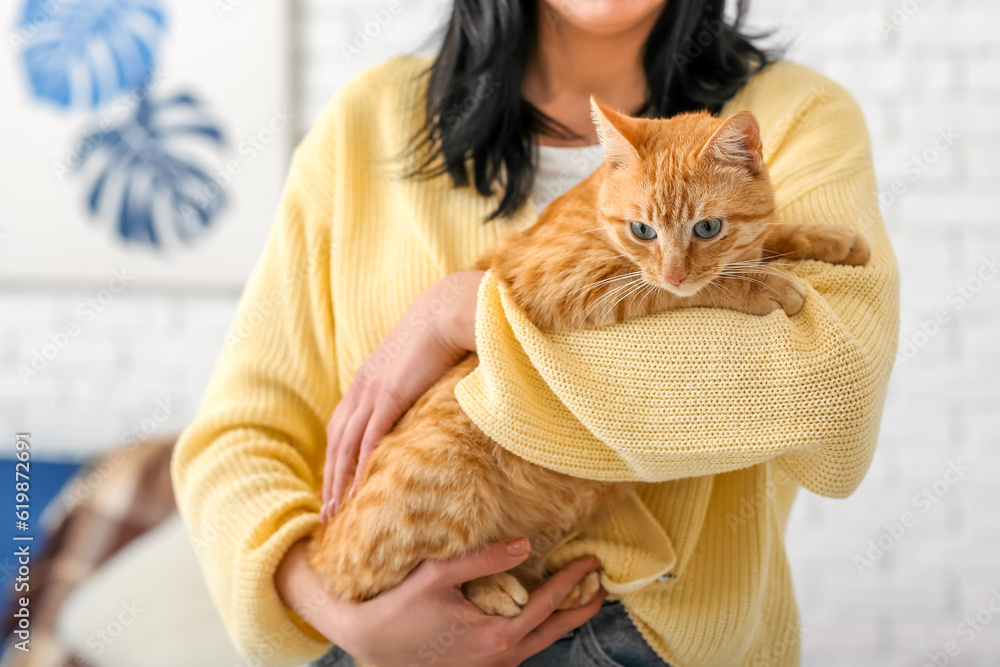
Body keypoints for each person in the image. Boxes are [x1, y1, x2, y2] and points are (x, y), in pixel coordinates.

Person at [171, 0, 900, 665]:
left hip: (662, 643)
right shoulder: (366, 120)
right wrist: (338, 613)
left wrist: (464, 312)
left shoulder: (798, 115)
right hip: (381, 635)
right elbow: (237, 437)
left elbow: (828, 387)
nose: (674, 266)